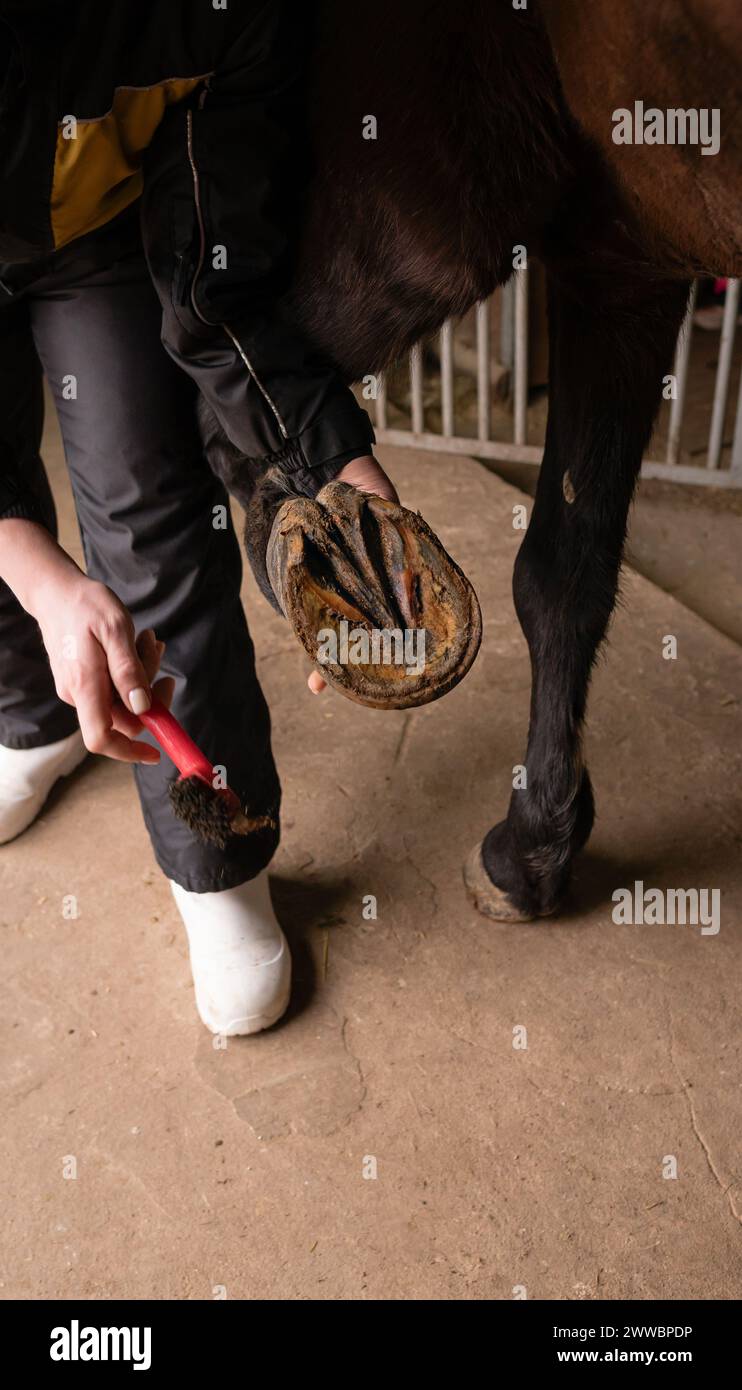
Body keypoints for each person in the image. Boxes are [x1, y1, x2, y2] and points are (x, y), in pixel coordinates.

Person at [0, 1, 396, 1035]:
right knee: (22, 565)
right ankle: (32, 715)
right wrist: (42, 581)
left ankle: (213, 853)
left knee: (150, 502)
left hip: (89, 227)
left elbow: (223, 280)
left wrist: (331, 458)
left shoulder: (212, 14)